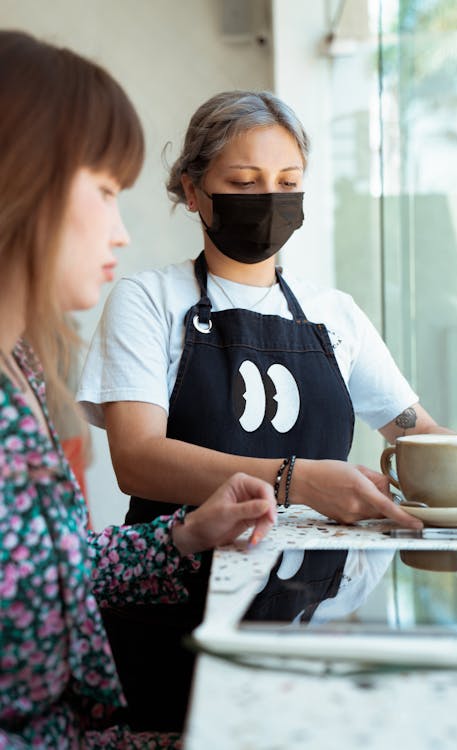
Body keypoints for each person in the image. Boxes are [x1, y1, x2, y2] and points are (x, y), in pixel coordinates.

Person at [78, 88, 457, 729]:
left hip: (326, 614)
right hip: (179, 603)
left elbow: (417, 430)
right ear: (194, 191)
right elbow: (137, 460)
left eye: (287, 181)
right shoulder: (148, 300)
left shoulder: (335, 315)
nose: (268, 199)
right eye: (244, 182)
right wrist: (295, 479)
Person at [0, 34, 277, 750]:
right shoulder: (149, 300)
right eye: (103, 192)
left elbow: (52, 565)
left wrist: (185, 534)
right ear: (20, 180)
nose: (121, 233)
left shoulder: (24, 368)